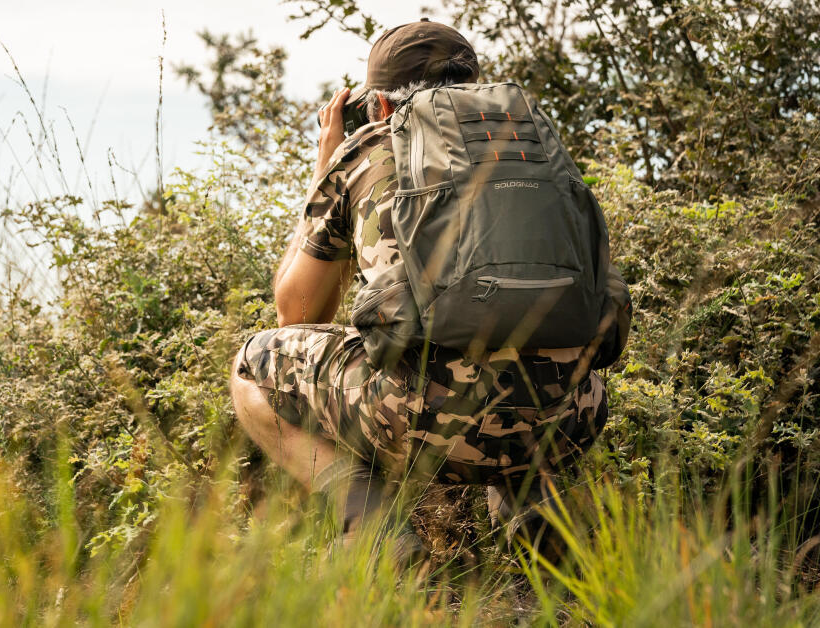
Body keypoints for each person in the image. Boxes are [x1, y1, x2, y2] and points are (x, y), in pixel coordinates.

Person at [229, 20, 621, 564]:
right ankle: (535, 512)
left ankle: (371, 530)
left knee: (252, 366)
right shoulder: (531, 147)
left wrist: (326, 171)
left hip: (420, 421)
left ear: (381, 107)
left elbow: (296, 312)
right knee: (515, 337)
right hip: (573, 415)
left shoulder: (369, 146)